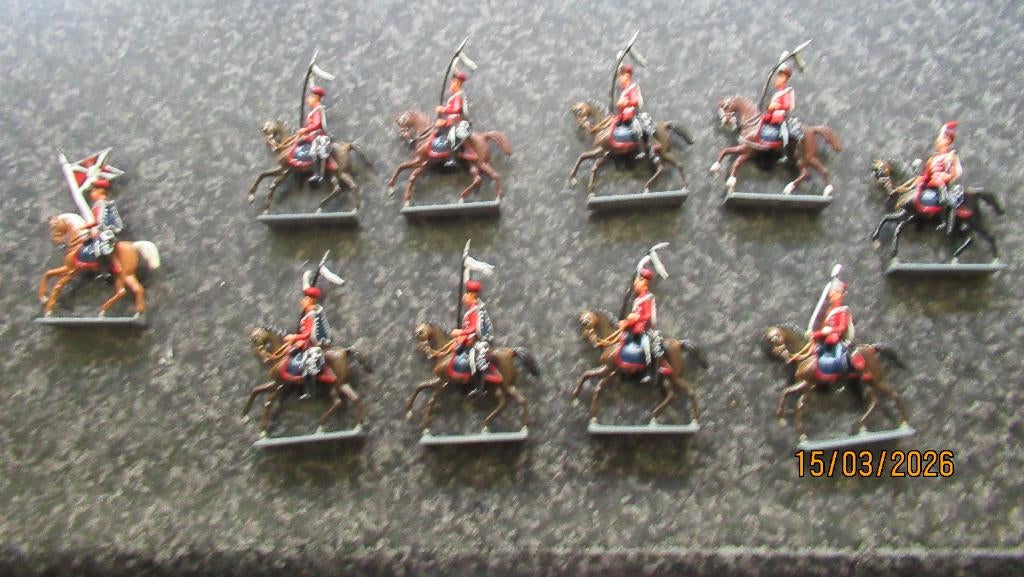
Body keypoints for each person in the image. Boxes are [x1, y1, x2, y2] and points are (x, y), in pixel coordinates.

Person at [283, 285, 335, 399]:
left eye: (305, 299)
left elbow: (308, 334)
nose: (302, 301)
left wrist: (294, 337)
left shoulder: (312, 315)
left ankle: (309, 390)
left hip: (311, 345)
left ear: (311, 300)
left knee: (307, 364)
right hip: (304, 343)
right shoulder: (307, 316)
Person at [916, 121, 963, 233]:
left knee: (946, 201)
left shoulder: (950, 157)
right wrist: (918, 180)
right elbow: (926, 176)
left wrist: (944, 177)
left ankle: (947, 224)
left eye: (940, 138)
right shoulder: (932, 159)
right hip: (930, 187)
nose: (937, 140)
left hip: (942, 188)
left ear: (947, 140)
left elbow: (954, 173)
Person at [450, 279, 493, 398]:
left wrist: (461, 332)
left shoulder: (476, 310)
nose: (464, 296)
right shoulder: (471, 309)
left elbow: (474, 327)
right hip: (468, 339)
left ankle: (479, 388)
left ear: (473, 295)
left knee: (475, 359)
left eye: (467, 294)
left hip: (477, 341)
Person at [619, 268, 659, 383]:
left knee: (645, 345)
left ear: (644, 282)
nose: (635, 284)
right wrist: (626, 322)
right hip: (635, 330)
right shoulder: (637, 299)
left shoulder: (647, 298)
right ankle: (628, 366)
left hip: (644, 329)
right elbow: (633, 317)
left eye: (637, 281)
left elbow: (647, 316)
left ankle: (650, 373)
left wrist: (636, 318)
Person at [289, 86, 330, 183]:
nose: (308, 100)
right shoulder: (314, 110)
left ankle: (317, 174)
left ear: (315, 97)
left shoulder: (318, 109)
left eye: (310, 97)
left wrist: (305, 130)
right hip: (311, 134)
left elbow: (317, 124)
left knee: (312, 152)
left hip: (317, 135)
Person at [83, 179, 123, 278]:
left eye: (93, 191)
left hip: (105, 229)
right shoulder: (97, 205)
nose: (91, 194)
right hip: (98, 230)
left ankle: (116, 264)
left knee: (102, 246)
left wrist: (88, 226)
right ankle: (102, 268)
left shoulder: (102, 204)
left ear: (100, 191)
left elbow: (99, 219)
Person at [614, 64, 655, 161]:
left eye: (621, 76)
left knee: (637, 128)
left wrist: (625, 103)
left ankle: (642, 150)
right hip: (622, 117)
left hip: (631, 114)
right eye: (619, 77)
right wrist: (619, 105)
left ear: (627, 76)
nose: (620, 79)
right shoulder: (623, 91)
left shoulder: (632, 88)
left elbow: (635, 101)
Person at [758, 64, 795, 160]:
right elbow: (770, 109)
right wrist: (770, 109)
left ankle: (785, 153)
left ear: (785, 78)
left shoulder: (787, 92)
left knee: (783, 131)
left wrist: (776, 106)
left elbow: (788, 105)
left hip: (780, 119)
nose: (777, 79)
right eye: (778, 76)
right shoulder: (776, 94)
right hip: (772, 118)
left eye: (781, 76)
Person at [435, 71, 470, 167]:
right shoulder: (454, 96)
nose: (450, 86)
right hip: (450, 121)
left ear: (458, 83)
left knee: (451, 138)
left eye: (452, 83)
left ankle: (452, 159)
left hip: (456, 122)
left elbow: (457, 109)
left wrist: (443, 109)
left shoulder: (458, 96)